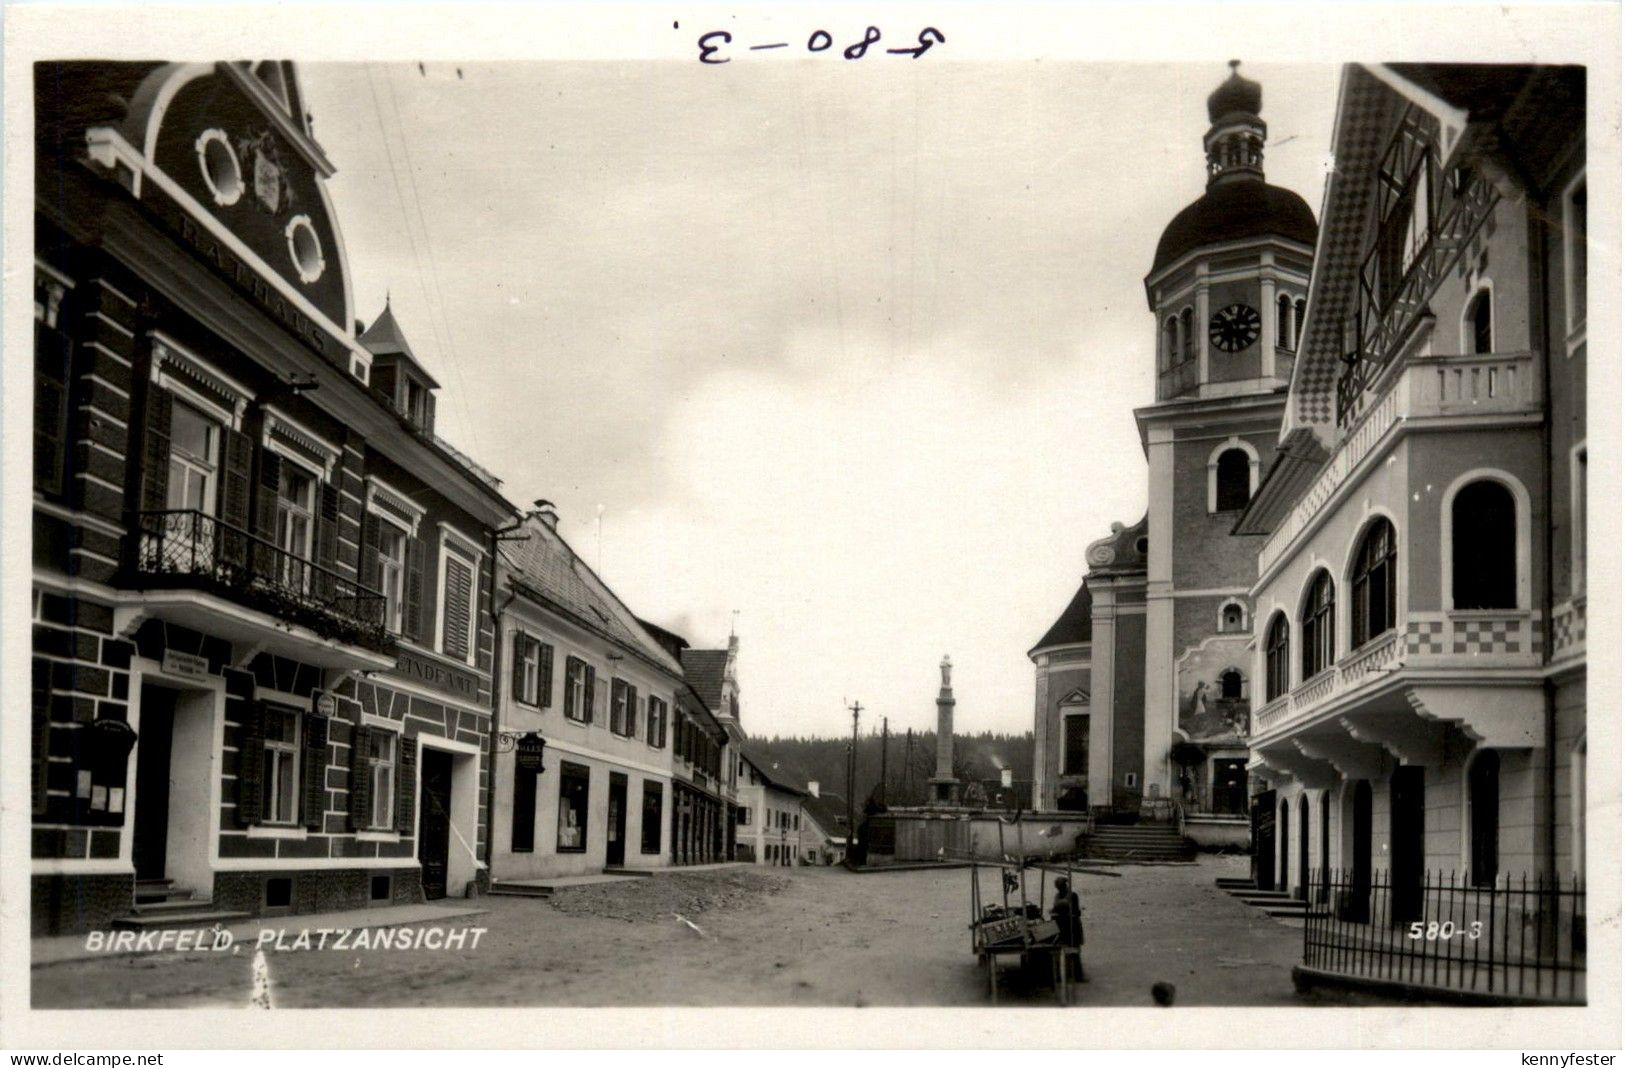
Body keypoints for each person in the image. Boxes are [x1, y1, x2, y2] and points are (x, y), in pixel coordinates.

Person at [1050, 877, 1084, 981]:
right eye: (1059, 887)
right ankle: (1061, 976)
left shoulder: (1072, 895)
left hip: (1072, 925)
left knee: (1074, 951)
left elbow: (1070, 907)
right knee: (1062, 950)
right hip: (1062, 926)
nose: (1060, 889)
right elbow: (1056, 907)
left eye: (1061, 886)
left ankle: (1076, 976)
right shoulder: (1057, 896)